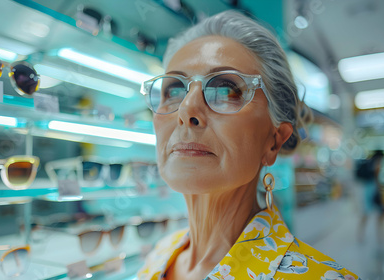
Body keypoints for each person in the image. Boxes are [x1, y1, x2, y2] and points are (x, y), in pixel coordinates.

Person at [138, 11, 359, 280]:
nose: (187, 110)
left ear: (274, 141)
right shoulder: (158, 257)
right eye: (174, 90)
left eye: (225, 91)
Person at [358, 149, 384, 244]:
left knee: (366, 212)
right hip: (373, 190)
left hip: (367, 189)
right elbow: (377, 176)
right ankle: (380, 235)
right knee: (379, 213)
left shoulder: (369, 161)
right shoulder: (377, 162)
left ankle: (360, 235)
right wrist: (380, 188)